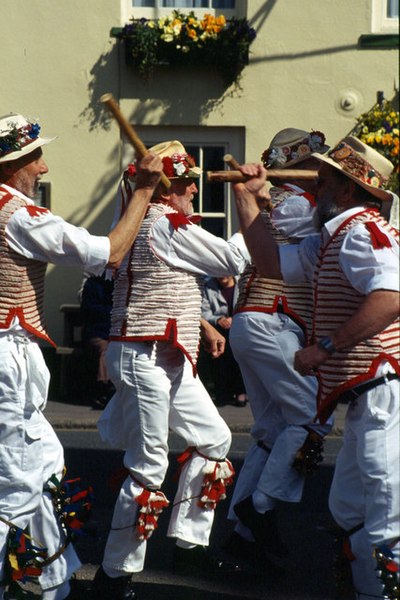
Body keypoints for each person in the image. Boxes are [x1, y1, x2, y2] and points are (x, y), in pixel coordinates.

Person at [0, 112, 164, 600]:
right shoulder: (16, 213)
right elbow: (110, 254)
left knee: (43, 464)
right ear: (12, 166)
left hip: (14, 353)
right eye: (34, 158)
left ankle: (54, 584)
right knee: (15, 480)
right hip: (6, 355)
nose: (43, 168)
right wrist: (143, 192)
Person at [232, 136, 399, 600]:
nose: (314, 181)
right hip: (365, 391)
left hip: (383, 387)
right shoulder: (332, 236)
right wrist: (246, 201)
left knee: (384, 512)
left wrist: (325, 346)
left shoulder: (364, 230)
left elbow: (389, 299)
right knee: (349, 508)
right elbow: (268, 262)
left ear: (347, 190)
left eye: (322, 177)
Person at [93, 140, 249, 600]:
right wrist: (257, 210)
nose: (194, 194)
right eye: (187, 186)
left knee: (215, 440)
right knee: (148, 467)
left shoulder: (152, 222)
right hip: (143, 354)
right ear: (166, 190)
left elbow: (164, 280)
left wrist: (201, 324)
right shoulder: (164, 222)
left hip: (166, 351)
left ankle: (189, 546)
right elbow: (232, 261)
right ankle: (114, 576)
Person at [224, 128, 333, 569]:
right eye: (317, 163)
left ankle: (244, 532)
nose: (322, 172)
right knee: (312, 415)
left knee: (271, 429)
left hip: (258, 324)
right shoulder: (295, 204)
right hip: (273, 321)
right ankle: (261, 504)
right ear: (298, 165)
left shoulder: (282, 202)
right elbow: (327, 228)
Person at [201, 274, 247, 406]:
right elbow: (204, 312)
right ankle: (222, 393)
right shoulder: (208, 286)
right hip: (217, 327)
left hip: (240, 325)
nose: (222, 275)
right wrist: (219, 319)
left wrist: (235, 318)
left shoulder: (242, 283)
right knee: (217, 356)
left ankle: (240, 391)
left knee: (239, 355)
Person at [80, 272, 115, 409]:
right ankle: (105, 388)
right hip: (98, 332)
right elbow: (89, 311)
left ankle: (114, 389)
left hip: (115, 332)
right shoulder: (93, 283)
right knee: (104, 350)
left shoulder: (123, 283)